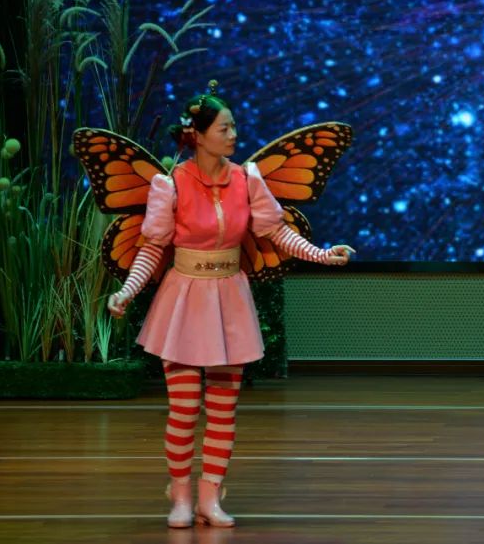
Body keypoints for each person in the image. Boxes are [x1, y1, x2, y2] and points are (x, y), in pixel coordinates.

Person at [103, 81, 356, 528]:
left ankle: (210, 496)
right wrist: (126, 291)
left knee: (223, 409)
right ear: (197, 135)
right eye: (224, 128)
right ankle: (180, 496)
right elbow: (151, 248)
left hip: (228, 301)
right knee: (184, 409)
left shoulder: (247, 179)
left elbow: (277, 232)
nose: (234, 134)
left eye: (234, 126)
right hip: (183, 303)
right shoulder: (170, 184)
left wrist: (321, 254)